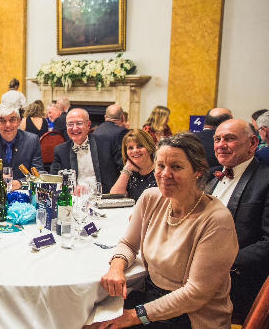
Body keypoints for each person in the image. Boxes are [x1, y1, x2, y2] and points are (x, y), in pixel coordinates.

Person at [87, 133, 238, 329]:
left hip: (191, 316)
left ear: (198, 171)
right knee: (86, 319)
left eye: (176, 167)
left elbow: (195, 293)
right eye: (160, 166)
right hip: (151, 299)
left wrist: (133, 316)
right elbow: (128, 244)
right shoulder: (151, 198)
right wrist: (117, 266)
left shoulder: (217, 220)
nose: (165, 174)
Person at [206, 119, 269, 323]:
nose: (221, 145)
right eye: (217, 139)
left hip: (237, 285)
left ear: (252, 143)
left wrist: (225, 263)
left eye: (230, 139)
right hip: (198, 276)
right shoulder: (211, 176)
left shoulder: (265, 180)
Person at [0, 104, 43, 186]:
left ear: (19, 121)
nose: (8, 125)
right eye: (2, 121)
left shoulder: (32, 141)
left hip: (22, 191)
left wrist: (20, 183)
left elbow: (38, 173)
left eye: (12, 120)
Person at [50, 108, 103, 188]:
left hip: (100, 196)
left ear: (88, 125)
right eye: (70, 124)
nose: (74, 128)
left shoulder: (102, 145)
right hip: (74, 198)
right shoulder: (61, 150)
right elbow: (54, 180)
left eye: (79, 123)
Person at [109, 129, 157, 201]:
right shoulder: (130, 173)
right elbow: (114, 197)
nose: (135, 151)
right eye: (130, 148)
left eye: (140, 146)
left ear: (149, 148)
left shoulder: (160, 172)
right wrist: (126, 170)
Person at [91, 104, 128, 191]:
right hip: (116, 184)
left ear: (105, 117)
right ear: (123, 118)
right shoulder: (122, 133)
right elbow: (123, 162)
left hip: (97, 184)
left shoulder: (95, 132)